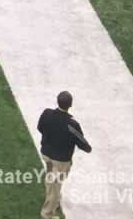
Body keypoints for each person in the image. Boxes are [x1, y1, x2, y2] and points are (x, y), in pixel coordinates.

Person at [36, 90, 92, 218]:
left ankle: (52, 193)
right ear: (70, 105)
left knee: (51, 176)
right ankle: (47, 214)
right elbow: (82, 143)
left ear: (57, 101)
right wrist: (88, 149)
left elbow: (40, 127)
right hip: (60, 161)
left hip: (46, 153)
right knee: (56, 185)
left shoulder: (46, 113)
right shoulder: (72, 124)